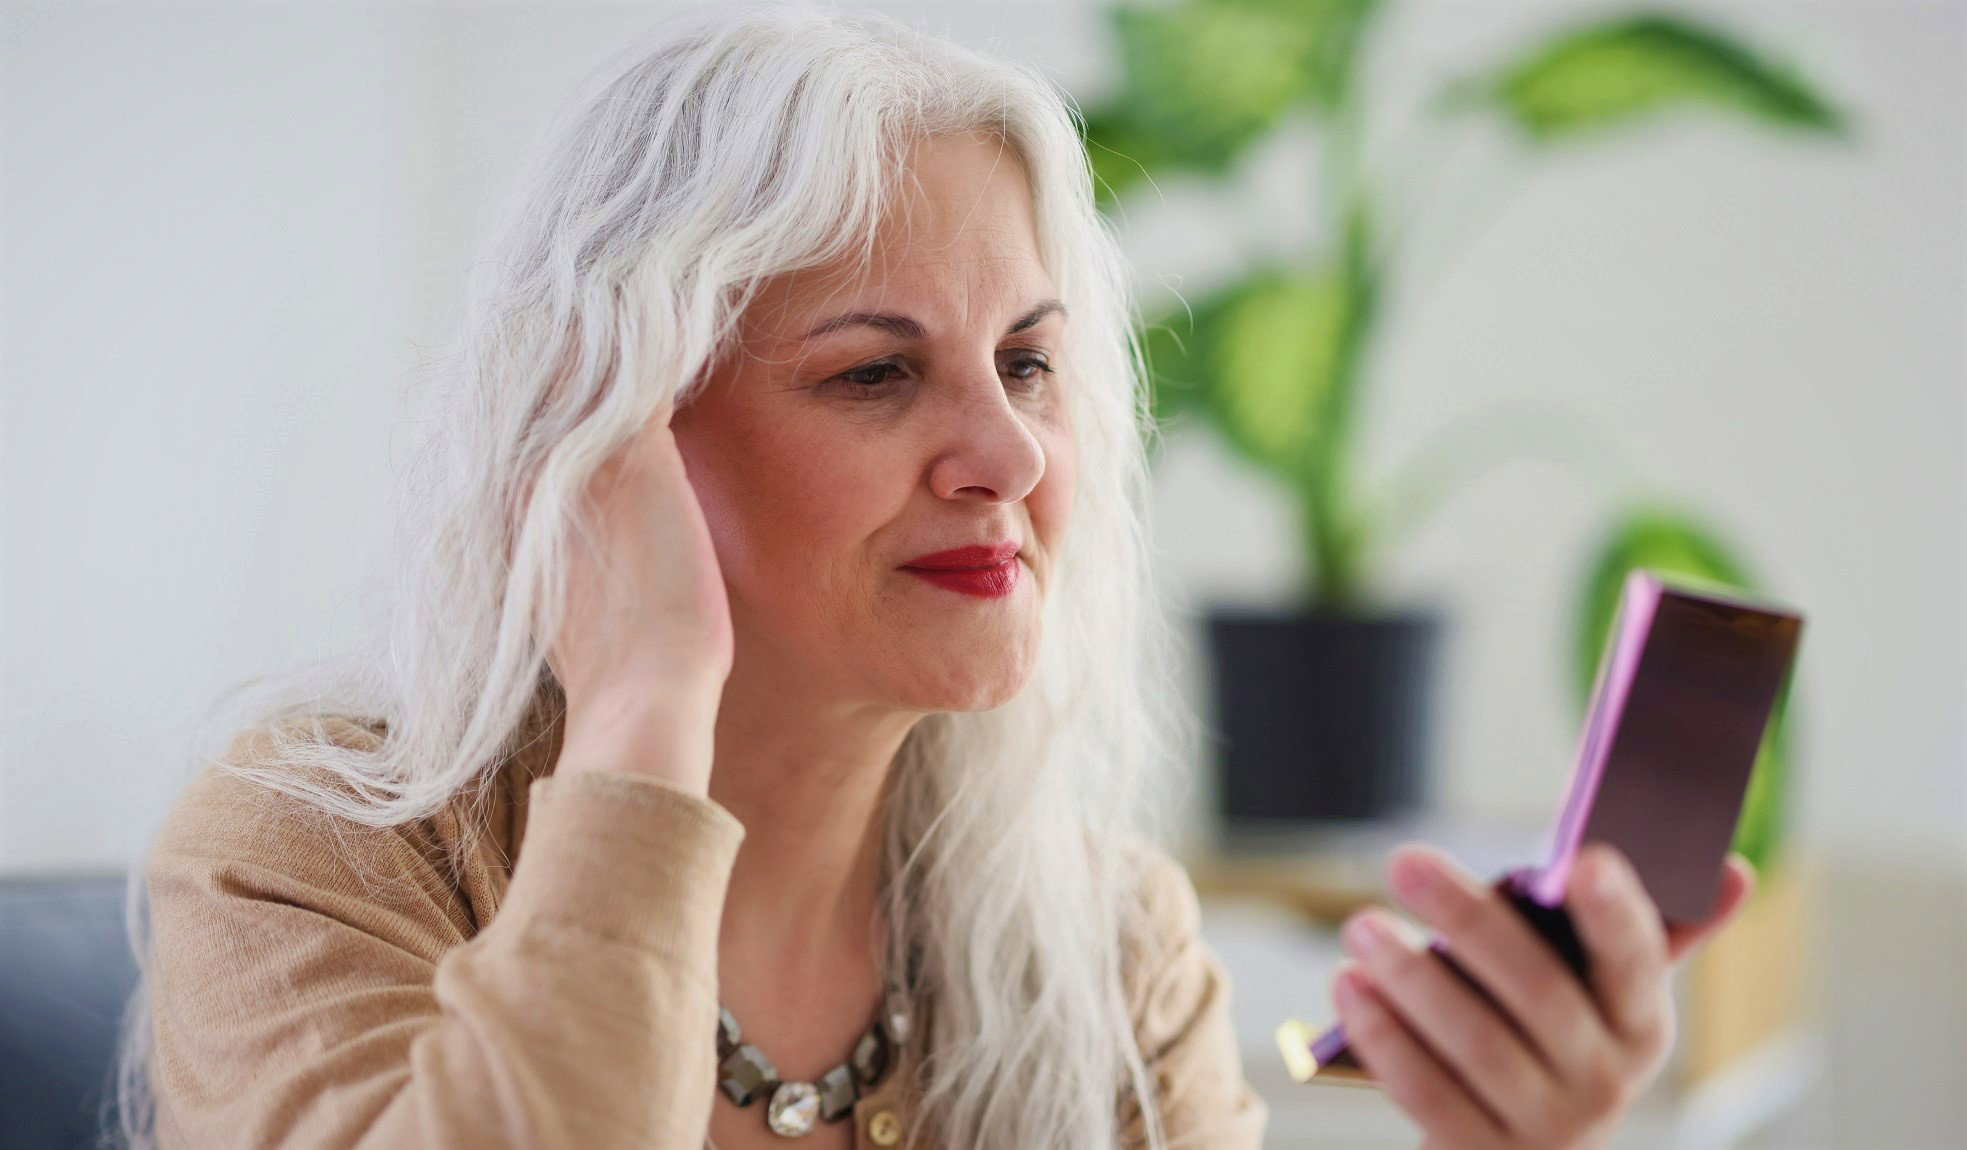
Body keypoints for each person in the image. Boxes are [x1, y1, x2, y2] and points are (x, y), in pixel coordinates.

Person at [119, 3, 1752, 1148]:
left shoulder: (1110, 952)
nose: (1013, 458)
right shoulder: (311, 860)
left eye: (1029, 364)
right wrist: (641, 707)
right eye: (876, 374)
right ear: (610, 440)